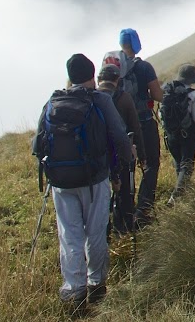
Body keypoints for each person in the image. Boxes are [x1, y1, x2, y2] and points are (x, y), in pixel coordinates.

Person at [32, 54, 135, 314]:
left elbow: (37, 145)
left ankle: (74, 292)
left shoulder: (52, 101)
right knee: (96, 232)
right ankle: (96, 286)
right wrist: (125, 162)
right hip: (94, 179)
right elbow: (120, 137)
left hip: (60, 182)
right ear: (92, 76)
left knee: (70, 235)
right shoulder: (100, 100)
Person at [117, 28, 162, 227]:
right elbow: (158, 94)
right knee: (150, 164)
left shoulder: (114, 67)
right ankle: (143, 210)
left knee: (125, 169)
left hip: (120, 126)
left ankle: (124, 214)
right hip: (143, 122)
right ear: (136, 43)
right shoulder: (144, 67)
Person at [95, 63, 143, 235]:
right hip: (121, 152)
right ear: (118, 80)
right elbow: (135, 127)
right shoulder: (124, 98)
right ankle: (123, 226)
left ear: (99, 79)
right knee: (124, 191)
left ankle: (104, 229)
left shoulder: (92, 98)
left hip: (97, 155)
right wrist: (140, 155)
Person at [162, 65, 195, 197]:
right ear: (191, 79)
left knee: (179, 164)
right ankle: (176, 197)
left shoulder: (167, 91)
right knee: (187, 166)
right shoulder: (193, 94)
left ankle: (182, 195)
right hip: (188, 134)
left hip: (170, 134)